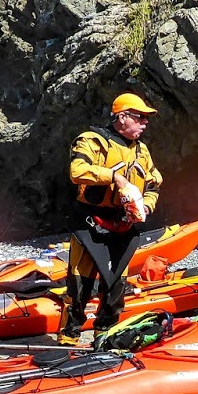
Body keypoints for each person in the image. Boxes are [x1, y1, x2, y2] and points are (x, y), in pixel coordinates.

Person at [57, 92, 163, 347]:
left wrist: (144, 207)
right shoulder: (92, 141)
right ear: (122, 116)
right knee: (80, 286)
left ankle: (104, 336)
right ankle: (68, 338)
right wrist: (115, 177)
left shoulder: (142, 151)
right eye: (140, 117)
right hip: (90, 225)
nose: (145, 123)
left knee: (115, 288)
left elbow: (154, 183)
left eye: (146, 119)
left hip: (122, 227)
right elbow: (77, 171)